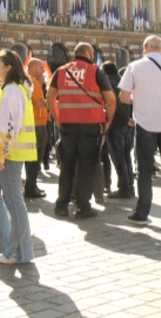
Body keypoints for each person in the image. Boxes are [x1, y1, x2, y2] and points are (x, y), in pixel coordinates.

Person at [118, 35, 161, 226]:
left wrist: (137, 99)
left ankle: (142, 213)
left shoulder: (135, 67)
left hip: (145, 124)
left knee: (144, 169)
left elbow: (124, 97)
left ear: (145, 48)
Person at [48, 43, 115, 219]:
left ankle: (62, 205)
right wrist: (108, 120)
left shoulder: (61, 71)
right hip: (91, 125)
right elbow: (111, 99)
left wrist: (57, 118)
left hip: (68, 124)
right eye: (92, 53)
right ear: (86, 53)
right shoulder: (96, 71)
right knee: (86, 165)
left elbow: (50, 96)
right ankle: (83, 206)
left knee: (67, 164)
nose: (93, 56)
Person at [0, 49, 37, 264]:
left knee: (14, 200)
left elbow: (8, 124)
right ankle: (3, 243)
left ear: (8, 67)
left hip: (8, 153)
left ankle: (18, 252)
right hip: (6, 152)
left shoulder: (12, 90)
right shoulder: (12, 88)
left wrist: (1, 155)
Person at [102, 62, 134, 199]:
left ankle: (123, 188)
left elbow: (115, 103)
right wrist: (131, 118)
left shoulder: (109, 83)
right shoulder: (123, 81)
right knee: (127, 157)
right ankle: (130, 186)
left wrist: (126, 118)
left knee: (118, 157)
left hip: (116, 124)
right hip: (128, 125)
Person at [24, 58, 49, 199]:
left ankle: (31, 185)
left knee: (32, 159)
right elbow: (40, 103)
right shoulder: (33, 82)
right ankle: (30, 188)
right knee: (35, 158)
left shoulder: (28, 81)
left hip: (33, 124)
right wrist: (53, 102)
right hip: (37, 125)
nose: (43, 70)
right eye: (40, 67)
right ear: (32, 68)